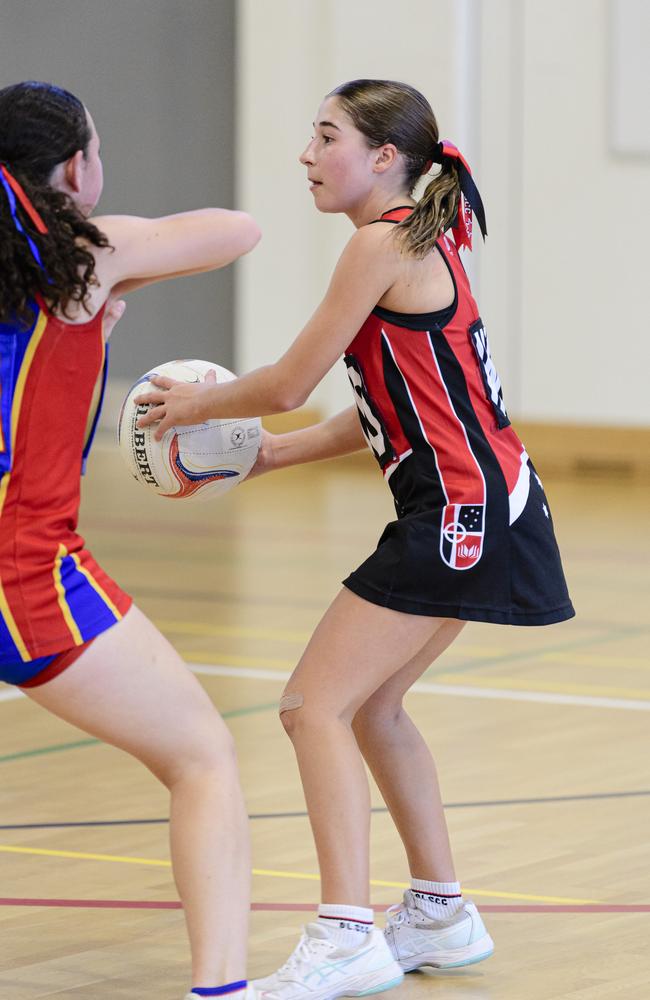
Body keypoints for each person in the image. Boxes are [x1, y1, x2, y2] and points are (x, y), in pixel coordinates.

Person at [137, 79, 575, 1000]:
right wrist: (267, 460)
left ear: (384, 158)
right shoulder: (422, 235)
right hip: (489, 502)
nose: (306, 154)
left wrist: (197, 406)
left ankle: (346, 933)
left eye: (325, 136)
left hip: (458, 510)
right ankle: (440, 913)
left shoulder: (383, 241)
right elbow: (382, 406)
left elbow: (292, 379)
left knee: (312, 709)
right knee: (370, 708)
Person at [0, 80, 262, 1000]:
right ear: (77, 167)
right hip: (23, 572)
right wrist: (114, 264)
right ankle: (221, 989)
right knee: (201, 757)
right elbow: (237, 230)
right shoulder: (83, 259)